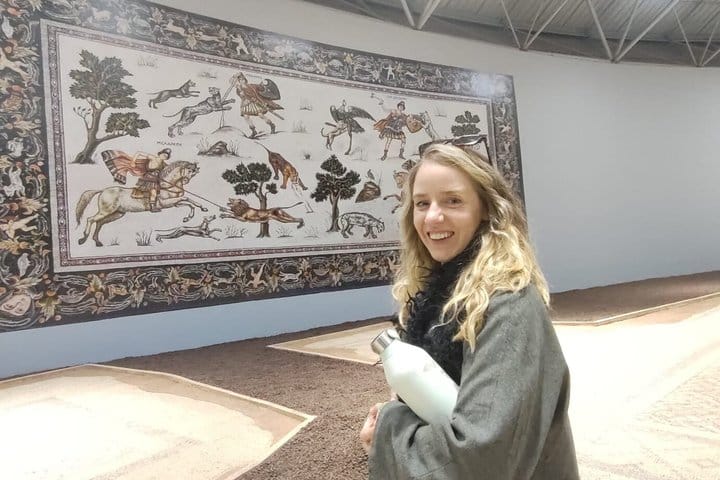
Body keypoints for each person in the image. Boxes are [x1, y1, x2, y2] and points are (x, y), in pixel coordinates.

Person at [359, 142, 579, 479]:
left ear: (487, 209)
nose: (433, 216)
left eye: (453, 201)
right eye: (422, 203)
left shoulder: (508, 305)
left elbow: (482, 457)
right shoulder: (437, 296)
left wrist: (388, 431)